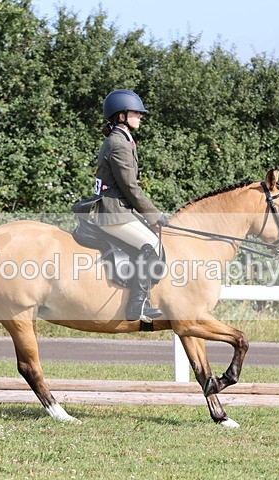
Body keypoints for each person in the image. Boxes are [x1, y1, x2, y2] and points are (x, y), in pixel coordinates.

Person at [94, 89, 168, 322]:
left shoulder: (123, 140)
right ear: (121, 115)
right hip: (112, 212)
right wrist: (154, 215)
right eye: (136, 112)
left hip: (120, 209)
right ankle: (138, 305)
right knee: (151, 243)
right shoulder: (118, 144)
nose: (140, 116)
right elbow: (130, 187)